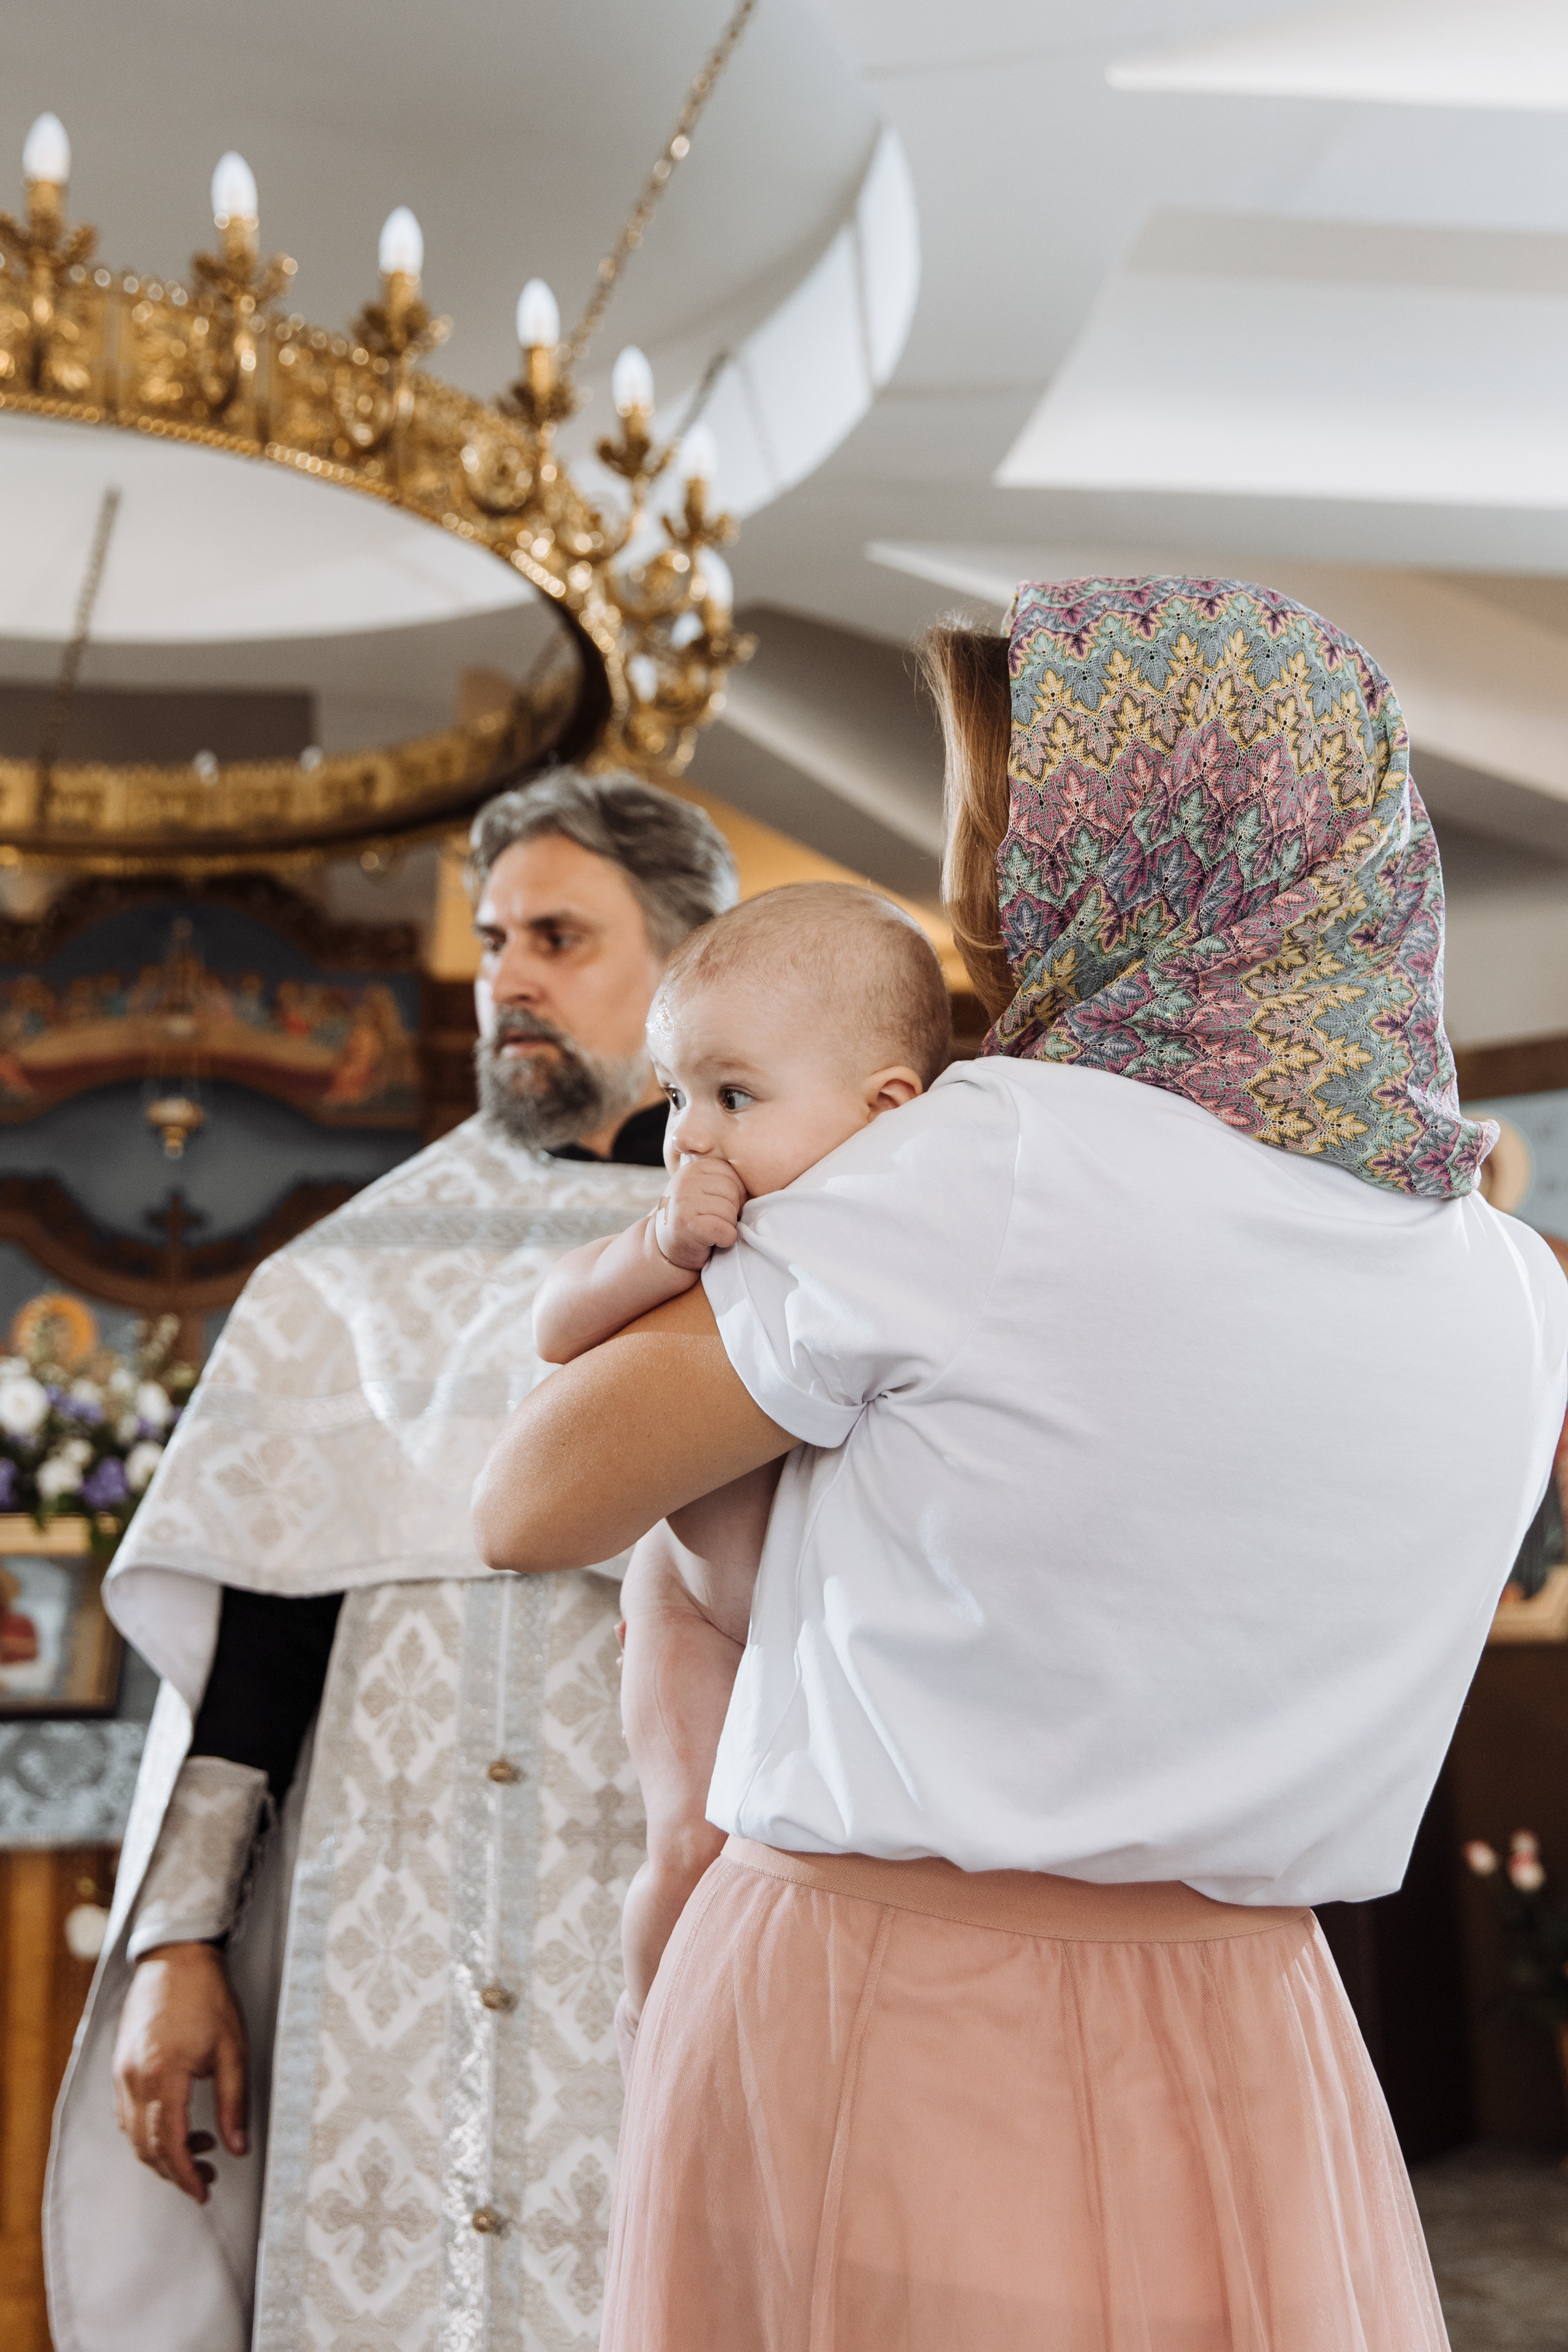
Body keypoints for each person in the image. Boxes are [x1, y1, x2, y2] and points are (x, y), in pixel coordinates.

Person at [473, 579, 1568, 2352]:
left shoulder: (992, 1155)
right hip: (1261, 2033)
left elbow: (529, 1502)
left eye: (1001, 827)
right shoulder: (1513, 1291)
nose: (976, 888)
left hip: (886, 1999)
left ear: (1149, 850)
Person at [45, 768, 737, 2352]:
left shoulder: (789, 1259)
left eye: (560, 936)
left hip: (660, 1942)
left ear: (686, 960)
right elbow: (263, 1651)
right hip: (379, 1979)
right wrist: (177, 1946)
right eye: (495, 939)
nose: (509, 976)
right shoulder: (348, 1276)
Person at [532, 882, 951, 2057]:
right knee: (693, 1838)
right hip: (690, 1611)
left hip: (823, 1625)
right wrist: (655, 1250)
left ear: (885, 1111)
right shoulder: (700, 1229)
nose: (692, 1135)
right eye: (676, 1096)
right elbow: (558, 1325)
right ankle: (650, 2020)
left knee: (818, 1864)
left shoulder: (912, 1244)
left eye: (733, 1095)